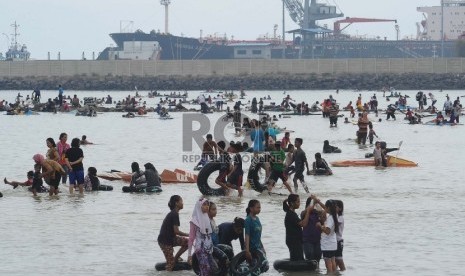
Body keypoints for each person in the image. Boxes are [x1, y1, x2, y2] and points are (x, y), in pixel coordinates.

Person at [158, 195, 189, 272]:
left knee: (188, 242)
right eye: (181, 201)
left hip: (172, 239)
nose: (183, 203)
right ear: (176, 203)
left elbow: (174, 232)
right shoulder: (174, 214)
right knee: (170, 265)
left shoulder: (174, 213)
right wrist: (189, 234)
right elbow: (176, 231)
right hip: (165, 241)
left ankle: (176, 258)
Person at [187, 198, 217, 275]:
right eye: (204, 204)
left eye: (207, 204)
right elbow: (191, 238)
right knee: (205, 269)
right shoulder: (194, 221)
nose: (207, 206)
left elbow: (209, 234)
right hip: (200, 248)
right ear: (199, 206)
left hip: (209, 248)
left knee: (213, 268)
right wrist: (189, 255)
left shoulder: (206, 218)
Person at [283, 194, 313, 261]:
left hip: (295, 240)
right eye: (298, 202)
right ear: (292, 203)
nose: (299, 203)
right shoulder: (291, 214)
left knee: (298, 258)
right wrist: (308, 211)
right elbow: (303, 224)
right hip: (294, 241)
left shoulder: (292, 212)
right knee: (297, 260)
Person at [244, 200, 269, 273]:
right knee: (254, 268)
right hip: (251, 248)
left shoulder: (257, 219)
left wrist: (262, 248)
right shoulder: (248, 220)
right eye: (257, 207)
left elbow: (258, 236)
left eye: (260, 207)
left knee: (265, 266)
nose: (259, 209)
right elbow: (247, 235)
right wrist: (247, 251)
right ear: (251, 209)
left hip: (258, 247)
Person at [319, 200, 339, 273]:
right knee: (332, 261)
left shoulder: (330, 218)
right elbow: (326, 207)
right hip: (333, 244)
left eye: (325, 208)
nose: (324, 209)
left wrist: (320, 226)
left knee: (328, 264)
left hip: (327, 244)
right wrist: (318, 202)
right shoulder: (335, 216)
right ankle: (334, 274)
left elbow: (327, 231)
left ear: (328, 208)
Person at [301, 196, 324, 264]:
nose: (314, 206)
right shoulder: (304, 213)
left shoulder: (318, 213)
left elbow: (323, 222)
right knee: (309, 258)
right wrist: (313, 203)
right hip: (307, 240)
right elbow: (302, 215)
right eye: (313, 204)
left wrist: (320, 214)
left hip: (317, 240)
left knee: (318, 257)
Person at [335, 200, 346, 271]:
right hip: (335, 241)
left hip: (338, 240)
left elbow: (334, 225)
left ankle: (344, 271)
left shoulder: (340, 218)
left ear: (340, 209)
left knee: (339, 259)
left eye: (335, 207)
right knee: (335, 260)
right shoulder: (337, 217)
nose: (334, 208)